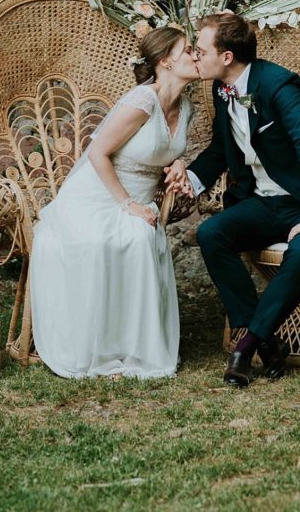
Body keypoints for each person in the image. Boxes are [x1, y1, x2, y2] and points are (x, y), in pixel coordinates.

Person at [164, 12, 300, 387]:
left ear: (226, 57)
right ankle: (266, 340)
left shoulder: (279, 84)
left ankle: (246, 346)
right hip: (265, 202)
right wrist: (191, 179)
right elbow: (222, 148)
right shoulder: (222, 88)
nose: (195, 54)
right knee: (212, 234)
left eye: (201, 48)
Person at [30, 26, 197, 379]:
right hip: (98, 196)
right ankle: (103, 348)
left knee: (140, 235)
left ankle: (137, 347)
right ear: (165, 61)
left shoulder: (185, 107)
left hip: (138, 199)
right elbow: (99, 154)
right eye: (188, 50)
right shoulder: (142, 101)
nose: (196, 55)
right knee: (128, 236)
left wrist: (178, 163)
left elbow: (164, 150)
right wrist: (126, 204)